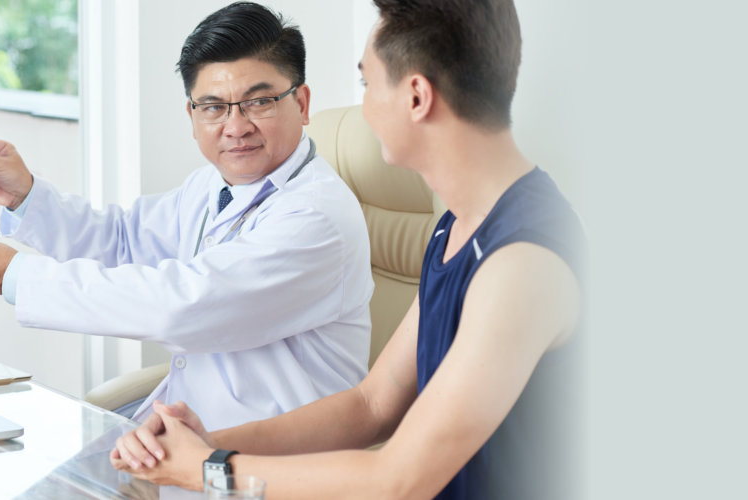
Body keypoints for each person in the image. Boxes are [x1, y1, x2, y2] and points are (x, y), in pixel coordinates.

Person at [110, 1, 585, 498]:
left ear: (416, 97)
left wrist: (205, 471)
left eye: (367, 83)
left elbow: (397, 481)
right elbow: (372, 406)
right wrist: (208, 445)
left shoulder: (521, 266)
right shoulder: (458, 227)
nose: (362, 107)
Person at [0, 2, 374, 431]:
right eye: (214, 106)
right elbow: (123, 240)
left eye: (259, 102)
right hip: (187, 435)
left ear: (302, 102)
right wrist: (24, 194)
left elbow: (183, 305)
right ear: (192, 114)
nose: (235, 126)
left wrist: (14, 276)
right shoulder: (212, 185)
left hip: (266, 462)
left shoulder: (317, 217)